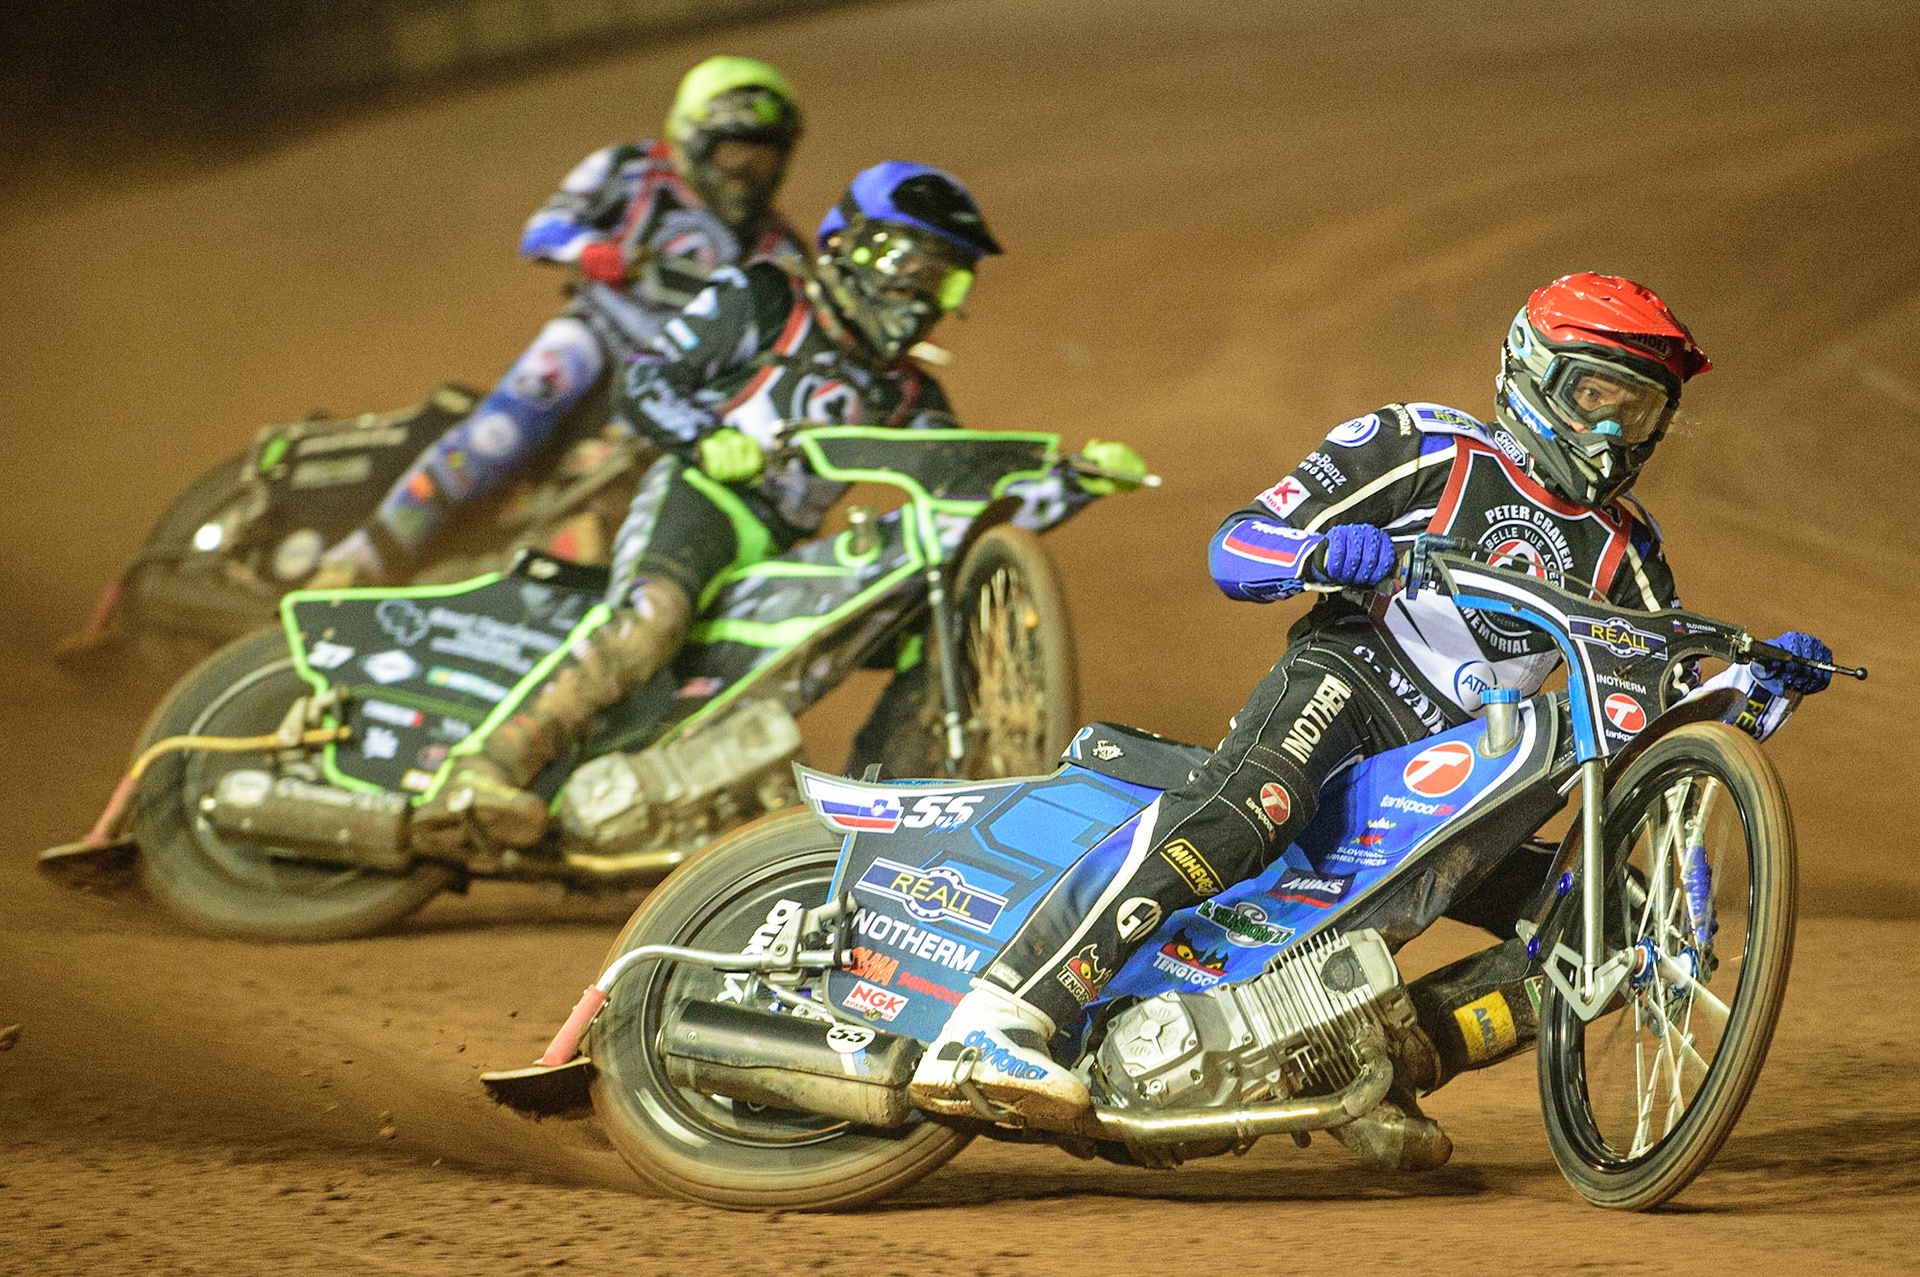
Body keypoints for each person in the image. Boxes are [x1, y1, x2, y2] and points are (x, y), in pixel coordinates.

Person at [906, 272, 1835, 1159]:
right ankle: (1000, 1017)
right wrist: (1321, 554)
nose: (1611, 428)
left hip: (1465, 775)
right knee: (1258, 803)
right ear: (1533, 371)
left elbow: (1642, 722)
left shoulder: (1631, 555)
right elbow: (1235, 546)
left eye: (1637, 410)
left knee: (1615, 916)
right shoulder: (1421, 444)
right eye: (1597, 394)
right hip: (1349, 684)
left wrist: (1754, 693)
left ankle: (1381, 1062)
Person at [410, 160, 1146, 853]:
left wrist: (1073, 483)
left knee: (928, 611)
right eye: (914, 268)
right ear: (850, 246)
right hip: (701, 497)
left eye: (950, 283)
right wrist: (708, 438)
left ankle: (881, 807)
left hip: (779, 542)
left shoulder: (910, 393)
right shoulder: (764, 298)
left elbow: (958, 510)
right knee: (653, 616)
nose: (927, 298)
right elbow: (648, 379)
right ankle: (485, 769)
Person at [316, 55, 806, 585]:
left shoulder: (778, 250)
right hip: (596, 334)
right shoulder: (632, 171)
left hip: (674, 381)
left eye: (767, 160)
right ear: (695, 141)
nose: (752, 178)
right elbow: (543, 229)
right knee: (500, 431)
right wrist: (592, 249)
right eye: (738, 156)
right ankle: (359, 558)